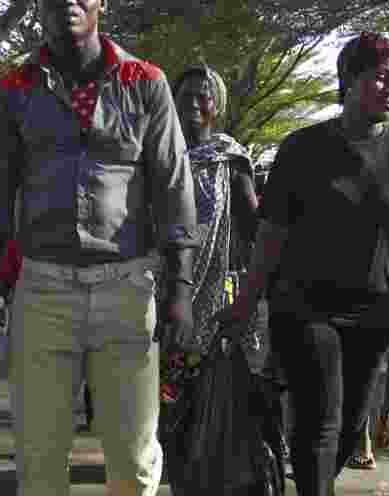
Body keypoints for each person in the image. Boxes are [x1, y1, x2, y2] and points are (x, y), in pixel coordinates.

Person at [0, 0, 198, 496]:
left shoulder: (146, 82)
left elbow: (173, 187)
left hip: (127, 288)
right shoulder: (15, 88)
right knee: (40, 462)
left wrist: (180, 290)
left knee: (134, 460)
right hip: (43, 292)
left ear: (99, 0)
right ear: (38, 2)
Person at [231, 32, 389, 496]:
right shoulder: (302, 149)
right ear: (349, 81)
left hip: (374, 313)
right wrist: (248, 301)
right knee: (322, 421)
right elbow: (271, 234)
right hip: (305, 309)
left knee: (355, 427)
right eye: (379, 78)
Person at [158, 65, 274, 492]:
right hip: (165, 296)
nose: (193, 102)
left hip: (214, 301)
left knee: (212, 399)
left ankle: (206, 477)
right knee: (168, 400)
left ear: (216, 106)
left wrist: (255, 291)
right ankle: (179, 477)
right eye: (185, 94)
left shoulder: (230, 158)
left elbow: (252, 224)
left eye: (202, 96)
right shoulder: (158, 154)